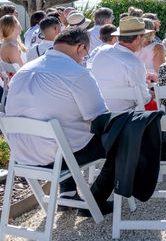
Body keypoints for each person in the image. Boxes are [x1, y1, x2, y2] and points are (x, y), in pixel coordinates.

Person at [4, 27, 115, 215]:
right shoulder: (77, 73)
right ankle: (94, 201)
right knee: (121, 139)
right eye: (86, 53)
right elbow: (100, 119)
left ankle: (68, 194)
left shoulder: (24, 70)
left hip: (24, 156)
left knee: (64, 131)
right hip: (58, 157)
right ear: (81, 47)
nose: (84, 58)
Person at [90, 17, 152, 112]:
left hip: (100, 114)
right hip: (127, 117)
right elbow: (143, 100)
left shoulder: (101, 51)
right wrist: (152, 92)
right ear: (138, 38)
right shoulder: (134, 63)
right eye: (144, 37)